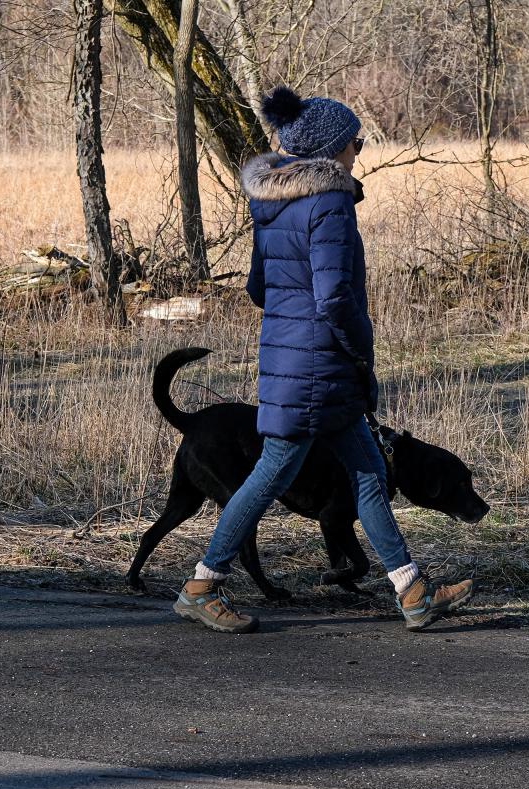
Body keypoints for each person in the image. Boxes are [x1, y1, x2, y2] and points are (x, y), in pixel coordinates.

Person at [174, 86, 474, 634]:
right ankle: (201, 585)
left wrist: (299, 320)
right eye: (354, 140)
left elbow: (260, 288)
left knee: (369, 473)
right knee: (269, 477)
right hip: (320, 367)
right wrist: (361, 347)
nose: (359, 149)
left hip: (295, 360)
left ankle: (413, 592)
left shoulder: (271, 201)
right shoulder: (330, 202)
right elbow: (336, 297)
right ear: (331, 149)